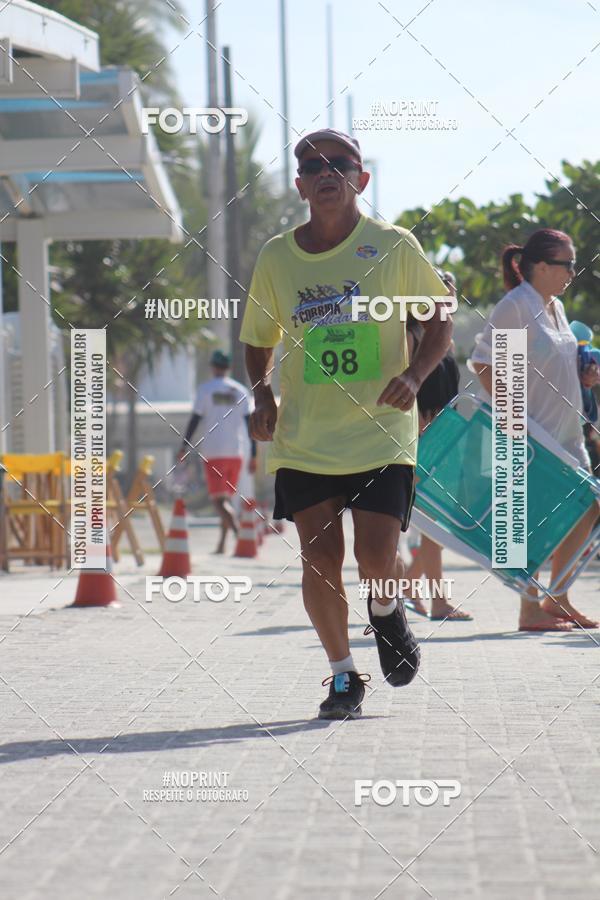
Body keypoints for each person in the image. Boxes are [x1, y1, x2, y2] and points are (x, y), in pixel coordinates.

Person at [240, 128, 452, 719]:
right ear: (300, 185)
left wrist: (415, 375)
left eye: (339, 163)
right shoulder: (277, 257)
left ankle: (385, 608)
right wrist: (262, 396)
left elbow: (440, 317)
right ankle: (342, 676)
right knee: (319, 557)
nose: (326, 172)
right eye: (313, 165)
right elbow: (257, 338)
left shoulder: (394, 245)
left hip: (380, 429)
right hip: (305, 438)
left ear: (362, 179)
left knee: (377, 557)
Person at [469, 228, 600, 631]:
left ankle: (556, 598)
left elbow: (549, 364)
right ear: (541, 266)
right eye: (567, 264)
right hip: (534, 435)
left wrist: (584, 376)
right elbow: (486, 365)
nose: (573, 272)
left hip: (567, 432)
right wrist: (516, 422)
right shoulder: (517, 306)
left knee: (587, 506)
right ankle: (530, 608)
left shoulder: (554, 306)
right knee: (529, 519)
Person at [404, 272, 473, 621]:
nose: (449, 299)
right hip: (421, 442)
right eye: (443, 293)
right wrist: (419, 433)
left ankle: (408, 585)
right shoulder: (411, 335)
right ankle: (437, 600)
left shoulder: (445, 339)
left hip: (446, 439)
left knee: (440, 523)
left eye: (452, 294)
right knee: (433, 523)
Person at [178, 350, 256, 554]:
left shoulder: (205, 390)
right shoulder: (240, 390)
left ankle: (237, 531)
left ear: (213, 367)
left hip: (213, 451)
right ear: (228, 367)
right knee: (226, 499)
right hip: (236, 452)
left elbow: (195, 420)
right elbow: (250, 425)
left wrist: (184, 446)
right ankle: (222, 545)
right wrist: (254, 455)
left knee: (217, 500)